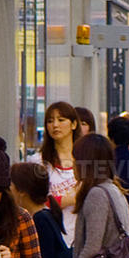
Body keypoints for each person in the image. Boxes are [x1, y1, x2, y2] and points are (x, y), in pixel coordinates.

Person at [29, 102, 81, 239]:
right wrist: (67, 200)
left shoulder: (86, 159)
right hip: (49, 236)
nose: (55, 125)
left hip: (80, 237)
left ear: (74, 124)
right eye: (50, 121)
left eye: (61, 120)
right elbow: (31, 200)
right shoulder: (37, 161)